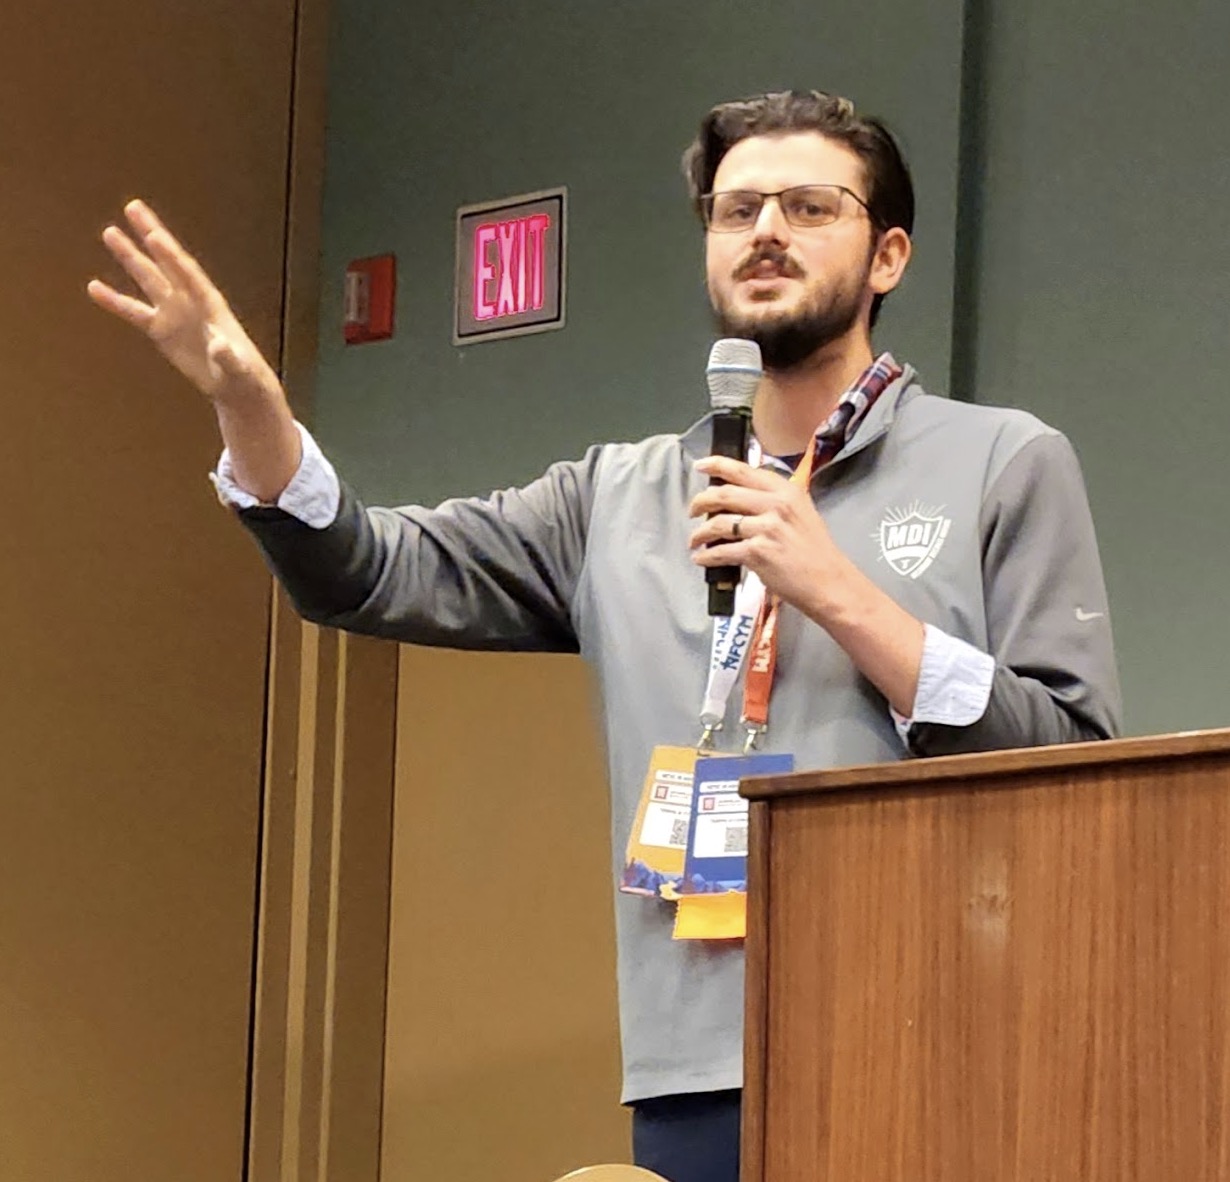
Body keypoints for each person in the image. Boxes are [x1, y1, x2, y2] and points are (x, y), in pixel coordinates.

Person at [87, 89, 1120, 1182]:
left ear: (887, 256)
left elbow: (1077, 760)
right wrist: (254, 414)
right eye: (734, 211)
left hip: (947, 1051)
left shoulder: (1003, 461)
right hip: (692, 1069)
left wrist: (838, 593)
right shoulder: (611, 499)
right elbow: (364, 570)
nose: (764, 230)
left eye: (809, 206)